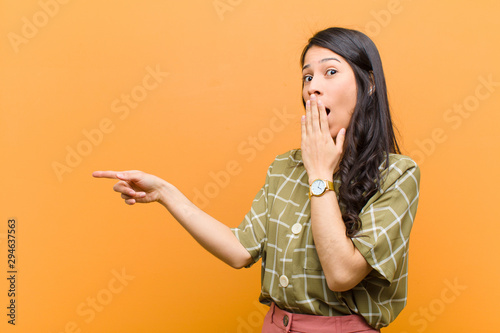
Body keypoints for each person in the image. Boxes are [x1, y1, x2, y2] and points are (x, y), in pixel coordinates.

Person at [93, 27, 420, 332]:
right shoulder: (284, 167)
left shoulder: (398, 175)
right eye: (307, 77)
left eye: (330, 72)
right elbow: (240, 250)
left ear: (370, 84)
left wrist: (320, 173)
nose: (313, 87)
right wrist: (166, 193)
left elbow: (342, 274)